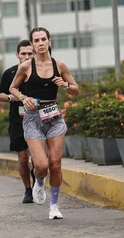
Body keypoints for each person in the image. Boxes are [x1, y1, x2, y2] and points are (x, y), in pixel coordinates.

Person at [9, 27, 80, 220]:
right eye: (36, 40)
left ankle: (54, 206)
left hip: (54, 117)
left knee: (55, 164)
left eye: (43, 39)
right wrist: (24, 98)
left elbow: (76, 89)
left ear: (49, 41)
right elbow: (12, 88)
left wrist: (64, 85)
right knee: (41, 166)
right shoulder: (26, 67)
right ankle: (39, 182)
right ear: (32, 45)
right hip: (33, 119)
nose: (40, 43)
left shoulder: (60, 65)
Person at [0, 39, 35, 204]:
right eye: (23, 53)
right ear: (17, 55)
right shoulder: (10, 74)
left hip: (37, 119)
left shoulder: (40, 71)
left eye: (29, 53)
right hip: (17, 119)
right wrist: (12, 97)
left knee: (37, 158)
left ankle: (37, 181)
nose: (26, 56)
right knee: (22, 158)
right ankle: (28, 189)